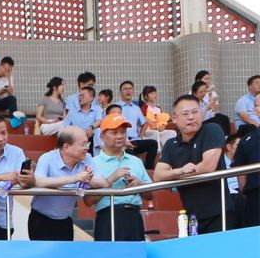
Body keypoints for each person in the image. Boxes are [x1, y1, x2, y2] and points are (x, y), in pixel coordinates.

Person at [155, 94, 227, 233]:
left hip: (219, 212)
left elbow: (208, 166)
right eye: (185, 114)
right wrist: (180, 170)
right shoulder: (171, 144)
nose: (191, 117)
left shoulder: (211, 130)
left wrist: (175, 175)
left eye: (195, 112)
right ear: (174, 118)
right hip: (191, 216)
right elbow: (158, 176)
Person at [87, 112, 152, 241]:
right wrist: (110, 180)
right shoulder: (93, 163)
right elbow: (88, 201)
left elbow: (150, 195)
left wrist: (140, 185)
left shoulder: (136, 161)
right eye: (114, 132)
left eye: (123, 132)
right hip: (107, 216)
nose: (120, 136)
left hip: (134, 216)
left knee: (135, 253)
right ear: (102, 136)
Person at [23, 127, 93, 241]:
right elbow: (38, 181)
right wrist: (73, 179)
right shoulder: (47, 158)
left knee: (66, 252)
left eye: (87, 144)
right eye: (83, 144)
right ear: (66, 147)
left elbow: (101, 181)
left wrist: (91, 178)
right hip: (41, 219)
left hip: (65, 220)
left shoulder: (86, 158)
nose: (87, 148)